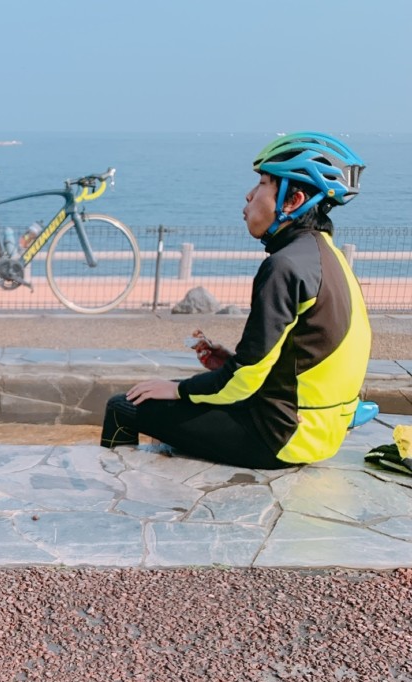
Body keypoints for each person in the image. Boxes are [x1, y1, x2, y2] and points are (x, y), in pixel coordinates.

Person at [101, 132, 371, 470]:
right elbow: (306, 354)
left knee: (124, 406)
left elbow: (245, 377)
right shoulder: (329, 257)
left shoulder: (283, 266)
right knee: (185, 406)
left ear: (292, 200)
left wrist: (179, 389)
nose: (248, 195)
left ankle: (112, 494)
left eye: (261, 184)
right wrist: (229, 361)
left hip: (279, 437)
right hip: (322, 433)